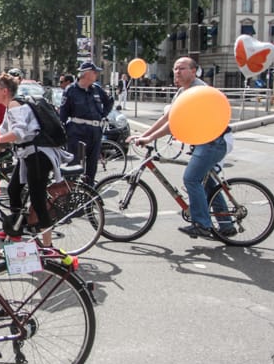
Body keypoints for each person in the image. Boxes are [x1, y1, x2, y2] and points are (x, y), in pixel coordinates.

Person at [130, 56, 235, 239]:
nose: (177, 72)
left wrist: (150, 138)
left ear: (194, 71)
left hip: (214, 141)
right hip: (205, 140)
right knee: (208, 183)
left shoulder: (198, 91)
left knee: (191, 179)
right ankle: (226, 225)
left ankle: (202, 224)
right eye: (175, 68)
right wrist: (145, 135)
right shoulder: (182, 92)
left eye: (182, 68)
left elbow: (174, 125)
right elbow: (167, 118)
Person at [0, 73, 65, 248]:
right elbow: (2, 130)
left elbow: (18, 133)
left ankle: (48, 246)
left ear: (4, 91)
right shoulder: (10, 106)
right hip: (28, 155)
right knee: (13, 189)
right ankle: (16, 229)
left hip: (39, 155)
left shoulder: (14, 104)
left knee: (38, 200)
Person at [59, 61, 112, 184]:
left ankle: (89, 192)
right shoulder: (71, 90)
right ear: (86, 74)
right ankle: (70, 193)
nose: (96, 75)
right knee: (73, 165)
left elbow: (109, 102)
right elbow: (63, 113)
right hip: (77, 131)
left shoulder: (96, 89)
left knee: (92, 164)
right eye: (94, 72)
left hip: (95, 131)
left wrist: (103, 115)